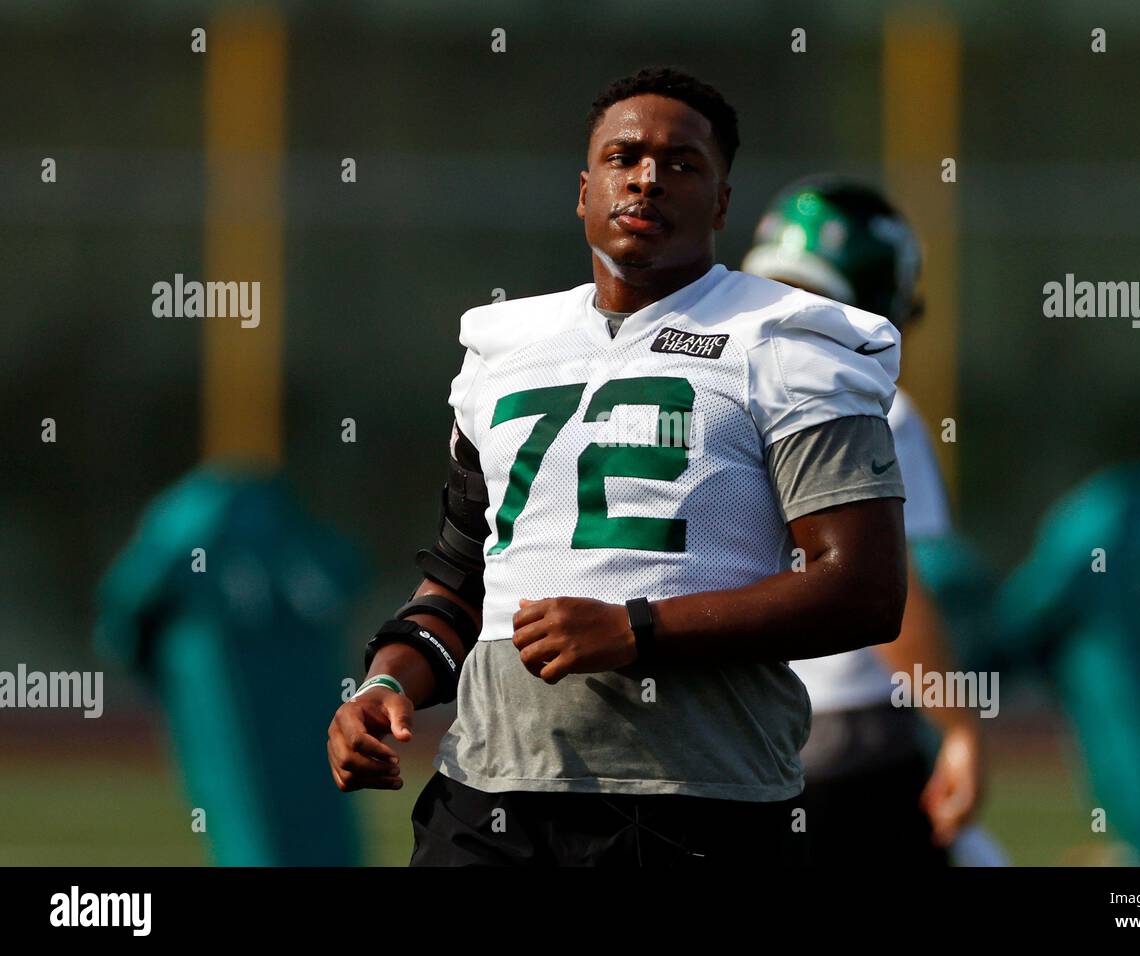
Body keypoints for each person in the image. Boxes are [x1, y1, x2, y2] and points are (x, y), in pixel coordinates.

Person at [325, 67, 910, 866]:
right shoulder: (506, 350)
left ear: (723, 202)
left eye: (682, 163)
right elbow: (460, 582)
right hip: (487, 794)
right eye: (623, 156)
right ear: (584, 188)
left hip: (698, 801)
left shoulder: (786, 341)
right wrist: (387, 684)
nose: (647, 177)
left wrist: (636, 628)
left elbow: (863, 591)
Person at [742, 178, 984, 865]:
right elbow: (886, 596)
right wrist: (961, 727)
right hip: (845, 748)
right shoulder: (866, 406)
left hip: (717, 735)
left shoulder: (701, 388)